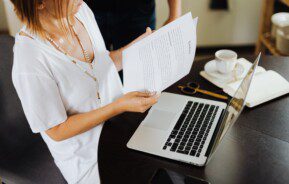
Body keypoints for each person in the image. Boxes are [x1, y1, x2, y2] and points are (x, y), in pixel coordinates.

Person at [11, 0, 159, 183]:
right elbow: (57, 130)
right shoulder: (30, 59)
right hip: (90, 159)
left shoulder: (81, 12)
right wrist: (118, 106)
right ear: (39, 3)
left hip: (122, 129)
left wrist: (138, 49)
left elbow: (99, 65)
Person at [86, 0, 182, 50]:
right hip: (89, 9)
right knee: (90, 73)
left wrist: (174, 15)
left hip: (139, 12)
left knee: (138, 74)